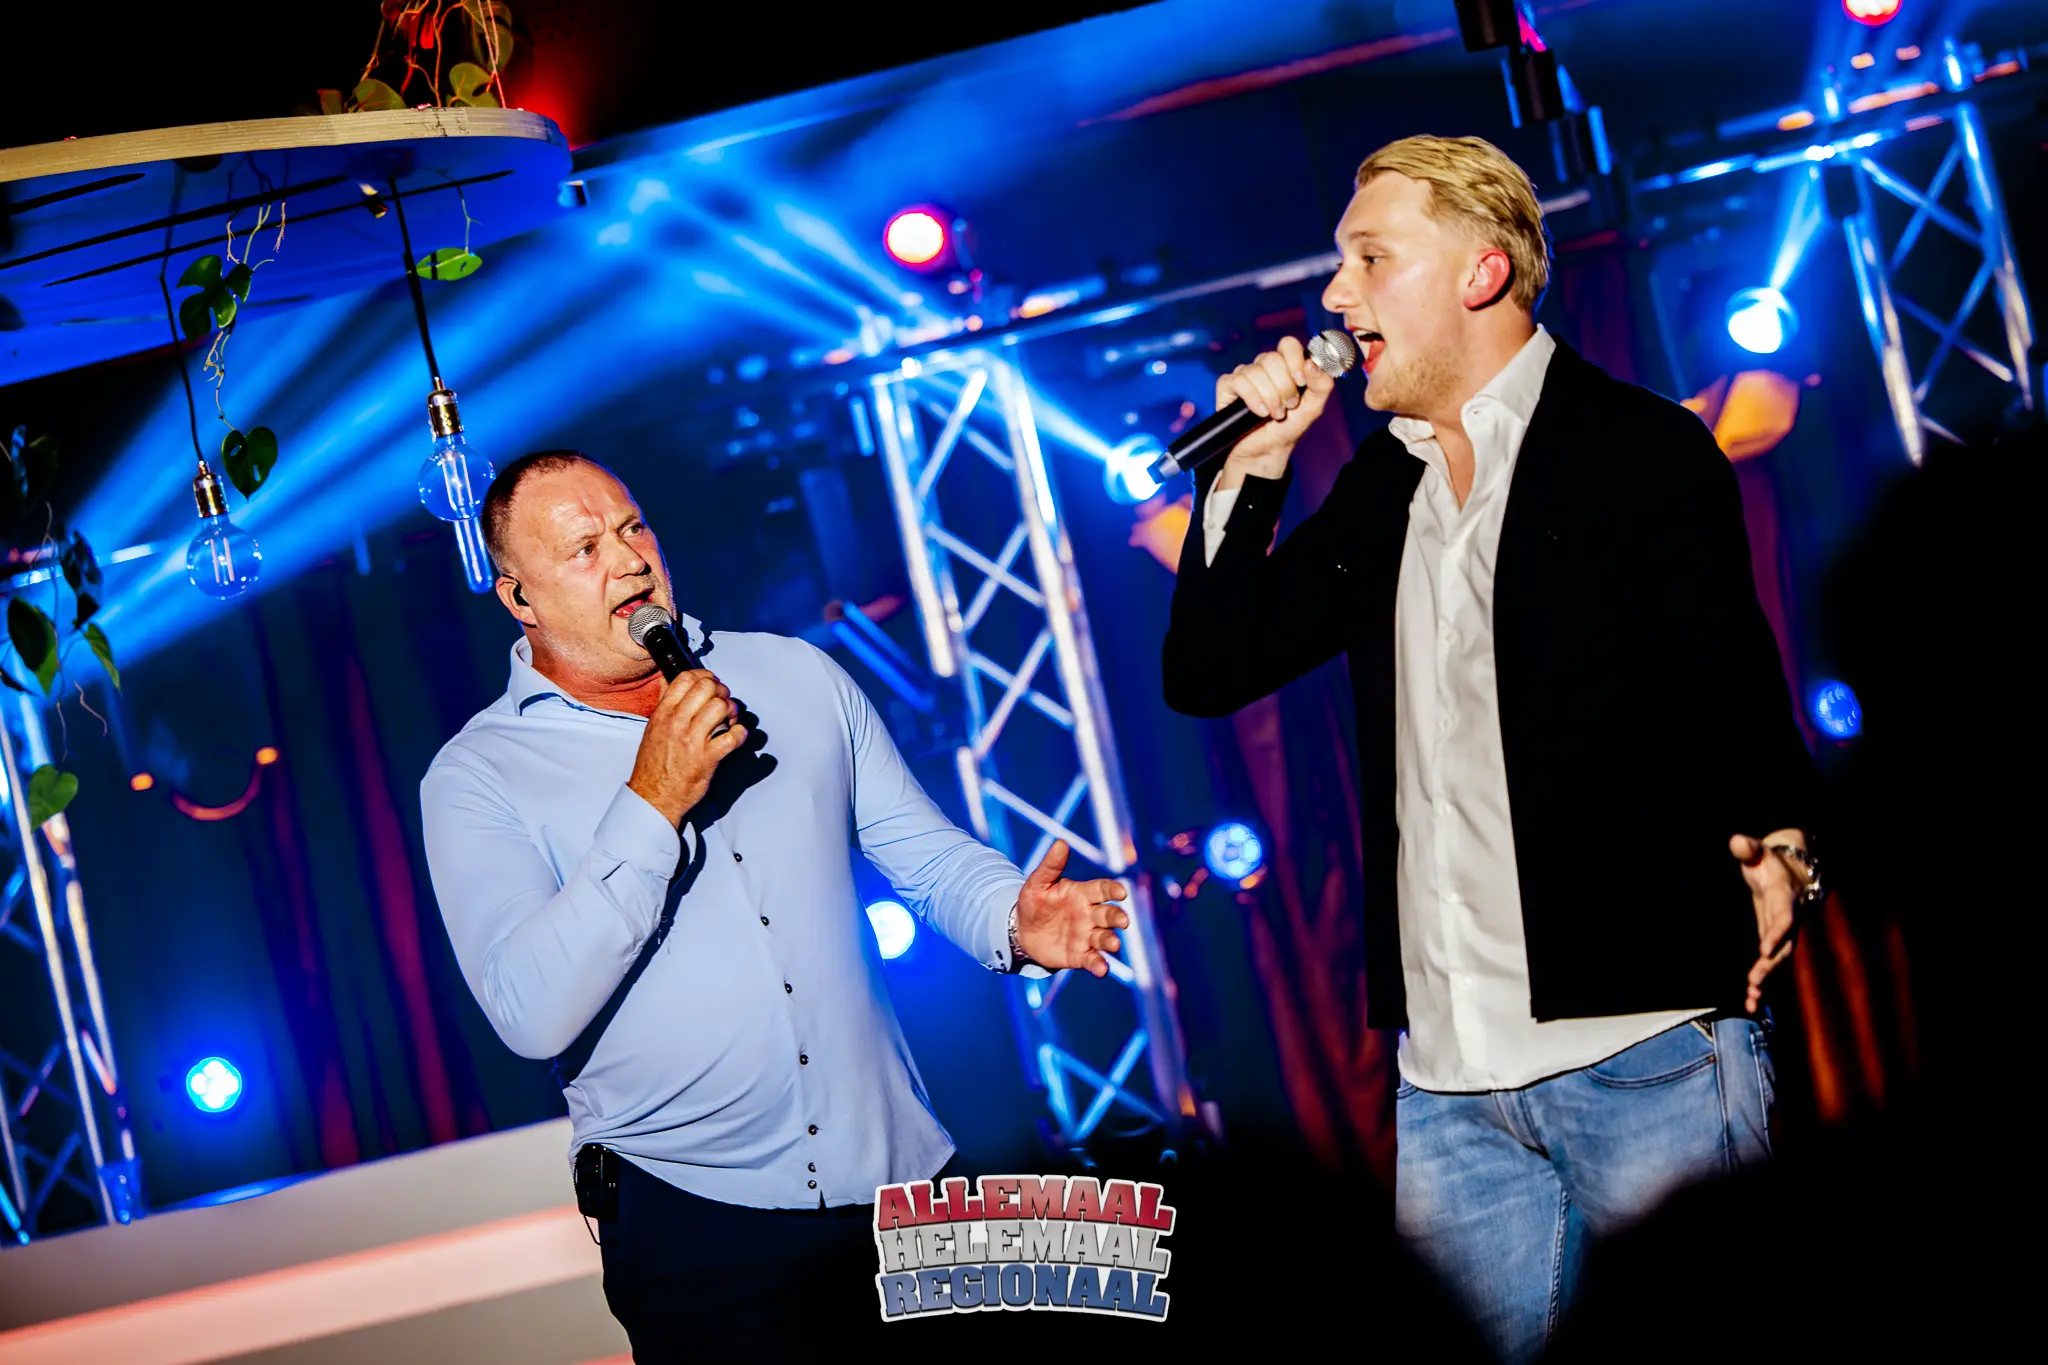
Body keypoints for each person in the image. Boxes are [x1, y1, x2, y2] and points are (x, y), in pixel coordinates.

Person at [1160, 136, 1820, 1361]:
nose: (1336, 296)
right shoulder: (1381, 486)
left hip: (1641, 1048)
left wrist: (1783, 847)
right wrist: (1250, 471)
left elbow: (1732, 685)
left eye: (1369, 260)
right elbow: (1208, 672)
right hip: (1448, 1084)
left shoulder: (1632, 444)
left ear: (1479, 272)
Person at [420, 451, 1132, 1358]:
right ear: (520, 597)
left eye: (634, 527)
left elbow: (927, 856)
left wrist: (1010, 917)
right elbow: (529, 1010)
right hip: (698, 1222)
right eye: (585, 549)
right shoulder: (478, 774)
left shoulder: (793, 675)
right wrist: (652, 802)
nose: (631, 560)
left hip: (901, 1183)